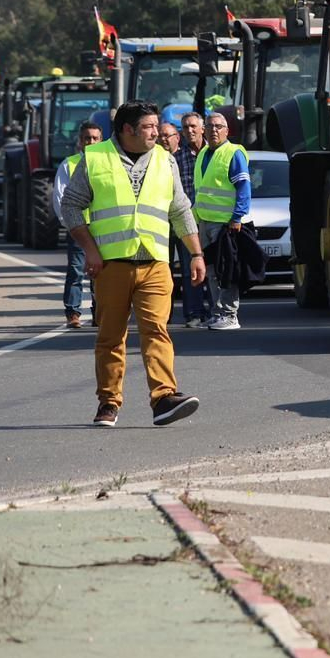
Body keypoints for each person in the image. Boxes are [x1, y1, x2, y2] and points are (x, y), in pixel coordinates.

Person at [61, 100, 204, 427]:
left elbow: (180, 209)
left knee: (157, 331)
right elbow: (71, 207)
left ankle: (164, 398)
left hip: (155, 263)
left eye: (157, 126)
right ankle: (108, 403)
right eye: (149, 127)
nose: (158, 132)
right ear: (127, 130)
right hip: (112, 266)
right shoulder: (95, 159)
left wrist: (195, 253)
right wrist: (91, 250)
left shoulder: (165, 161)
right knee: (111, 337)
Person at [195, 112, 251, 331]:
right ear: (204, 130)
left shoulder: (233, 152)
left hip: (225, 224)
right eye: (209, 126)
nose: (214, 130)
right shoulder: (203, 154)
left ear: (227, 130)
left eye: (218, 126)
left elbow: (243, 187)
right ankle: (217, 313)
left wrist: (238, 216)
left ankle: (229, 314)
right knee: (210, 270)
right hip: (205, 221)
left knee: (226, 270)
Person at [57, 124, 104, 328]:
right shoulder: (70, 164)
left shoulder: (107, 164)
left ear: (101, 140)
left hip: (102, 228)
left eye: (95, 138)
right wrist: (70, 225)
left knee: (100, 273)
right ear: (80, 141)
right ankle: (73, 313)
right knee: (76, 271)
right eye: (87, 138)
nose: (91, 142)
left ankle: (98, 313)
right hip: (79, 228)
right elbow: (60, 198)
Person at [174, 112, 211, 328]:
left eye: (193, 126)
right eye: (186, 127)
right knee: (190, 270)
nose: (190, 130)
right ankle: (194, 313)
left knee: (215, 268)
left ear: (202, 128)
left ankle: (217, 310)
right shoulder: (177, 159)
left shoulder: (214, 154)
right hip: (188, 223)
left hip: (213, 220)